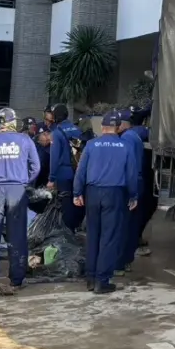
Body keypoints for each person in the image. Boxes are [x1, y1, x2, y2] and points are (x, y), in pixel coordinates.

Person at [73, 111, 140, 294]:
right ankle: (102, 281)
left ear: (102, 127)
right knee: (109, 237)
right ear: (118, 128)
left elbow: (81, 171)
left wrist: (77, 192)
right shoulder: (125, 146)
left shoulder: (91, 145)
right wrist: (133, 196)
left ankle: (90, 278)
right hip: (114, 193)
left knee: (93, 235)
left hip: (92, 193)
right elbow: (131, 174)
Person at [0, 108, 40, 295]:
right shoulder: (25, 140)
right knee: (17, 235)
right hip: (17, 190)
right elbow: (35, 167)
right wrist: (24, 182)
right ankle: (17, 280)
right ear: (13, 122)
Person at [115, 109, 151, 274]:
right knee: (132, 223)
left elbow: (127, 164)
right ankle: (127, 260)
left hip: (130, 182)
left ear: (124, 124)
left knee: (124, 224)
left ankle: (120, 262)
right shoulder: (136, 135)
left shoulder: (126, 138)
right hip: (138, 181)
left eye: (117, 123)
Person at [49, 103, 84, 231]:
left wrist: (51, 178)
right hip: (79, 171)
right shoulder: (77, 129)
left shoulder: (56, 133)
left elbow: (54, 157)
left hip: (64, 173)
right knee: (78, 200)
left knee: (66, 204)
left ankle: (68, 233)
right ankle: (77, 227)